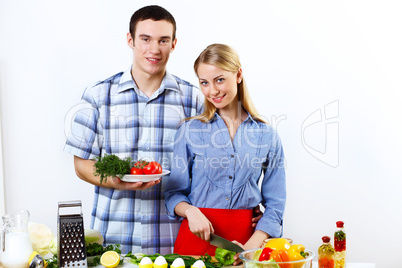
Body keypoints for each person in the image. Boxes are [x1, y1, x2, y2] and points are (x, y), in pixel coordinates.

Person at [64, 6, 262, 254]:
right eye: (145, 39)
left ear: (174, 44)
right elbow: (82, 165)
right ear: (130, 40)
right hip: (113, 240)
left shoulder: (195, 98)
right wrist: (118, 181)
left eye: (163, 40)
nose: (154, 49)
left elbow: (224, 159)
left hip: (175, 241)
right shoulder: (98, 95)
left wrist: (244, 205)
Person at [164, 44, 286, 260]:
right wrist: (191, 212)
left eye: (219, 79)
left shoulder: (267, 135)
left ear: (238, 75)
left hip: (247, 242)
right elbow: (174, 194)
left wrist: (251, 247)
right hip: (196, 239)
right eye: (204, 83)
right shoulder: (189, 131)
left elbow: (276, 203)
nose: (213, 91)